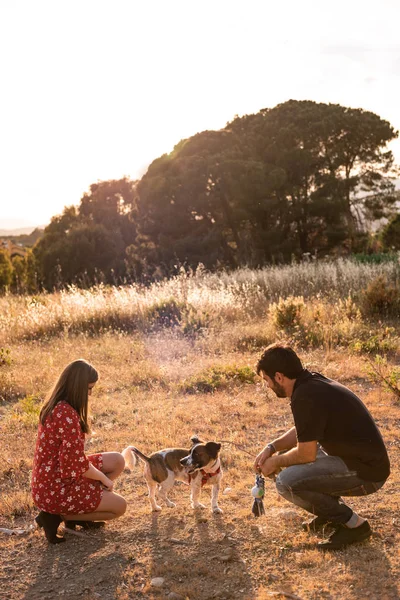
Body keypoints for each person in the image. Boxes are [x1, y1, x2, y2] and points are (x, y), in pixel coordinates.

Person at [254, 343, 390, 550]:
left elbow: (306, 454)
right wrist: (271, 447)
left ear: (279, 377)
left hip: (368, 473)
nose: (267, 386)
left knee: (285, 482)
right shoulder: (310, 383)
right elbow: (305, 429)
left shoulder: (305, 395)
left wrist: (275, 462)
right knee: (285, 456)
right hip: (358, 460)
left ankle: (354, 525)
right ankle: (328, 514)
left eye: (267, 380)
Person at [32, 359, 127, 544]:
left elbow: (73, 460)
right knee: (120, 507)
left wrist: (98, 477)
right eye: (88, 389)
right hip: (55, 487)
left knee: (118, 460)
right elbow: (75, 463)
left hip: (52, 477)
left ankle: (79, 509)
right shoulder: (66, 414)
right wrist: (103, 478)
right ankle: (58, 515)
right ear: (77, 387)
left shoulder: (57, 404)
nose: (90, 394)